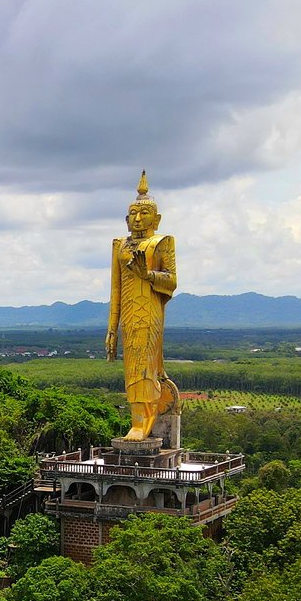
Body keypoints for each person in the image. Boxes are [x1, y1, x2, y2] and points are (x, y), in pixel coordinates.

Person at [105, 171, 178, 440]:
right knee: (131, 366)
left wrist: (148, 275)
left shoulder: (162, 242)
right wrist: (111, 328)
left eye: (144, 213)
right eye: (133, 213)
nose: (137, 218)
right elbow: (115, 289)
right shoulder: (120, 246)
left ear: (156, 219)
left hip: (149, 310)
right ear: (126, 219)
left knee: (144, 362)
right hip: (128, 314)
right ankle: (139, 416)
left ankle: (143, 419)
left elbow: (172, 280)